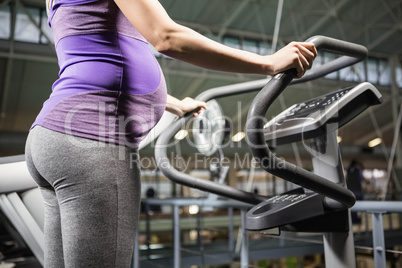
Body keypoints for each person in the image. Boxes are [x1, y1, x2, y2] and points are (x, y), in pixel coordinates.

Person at [25, 0, 317, 267]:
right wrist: (268, 63)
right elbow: (167, 38)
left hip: (51, 138)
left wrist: (174, 104)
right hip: (91, 144)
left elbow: (97, 56)